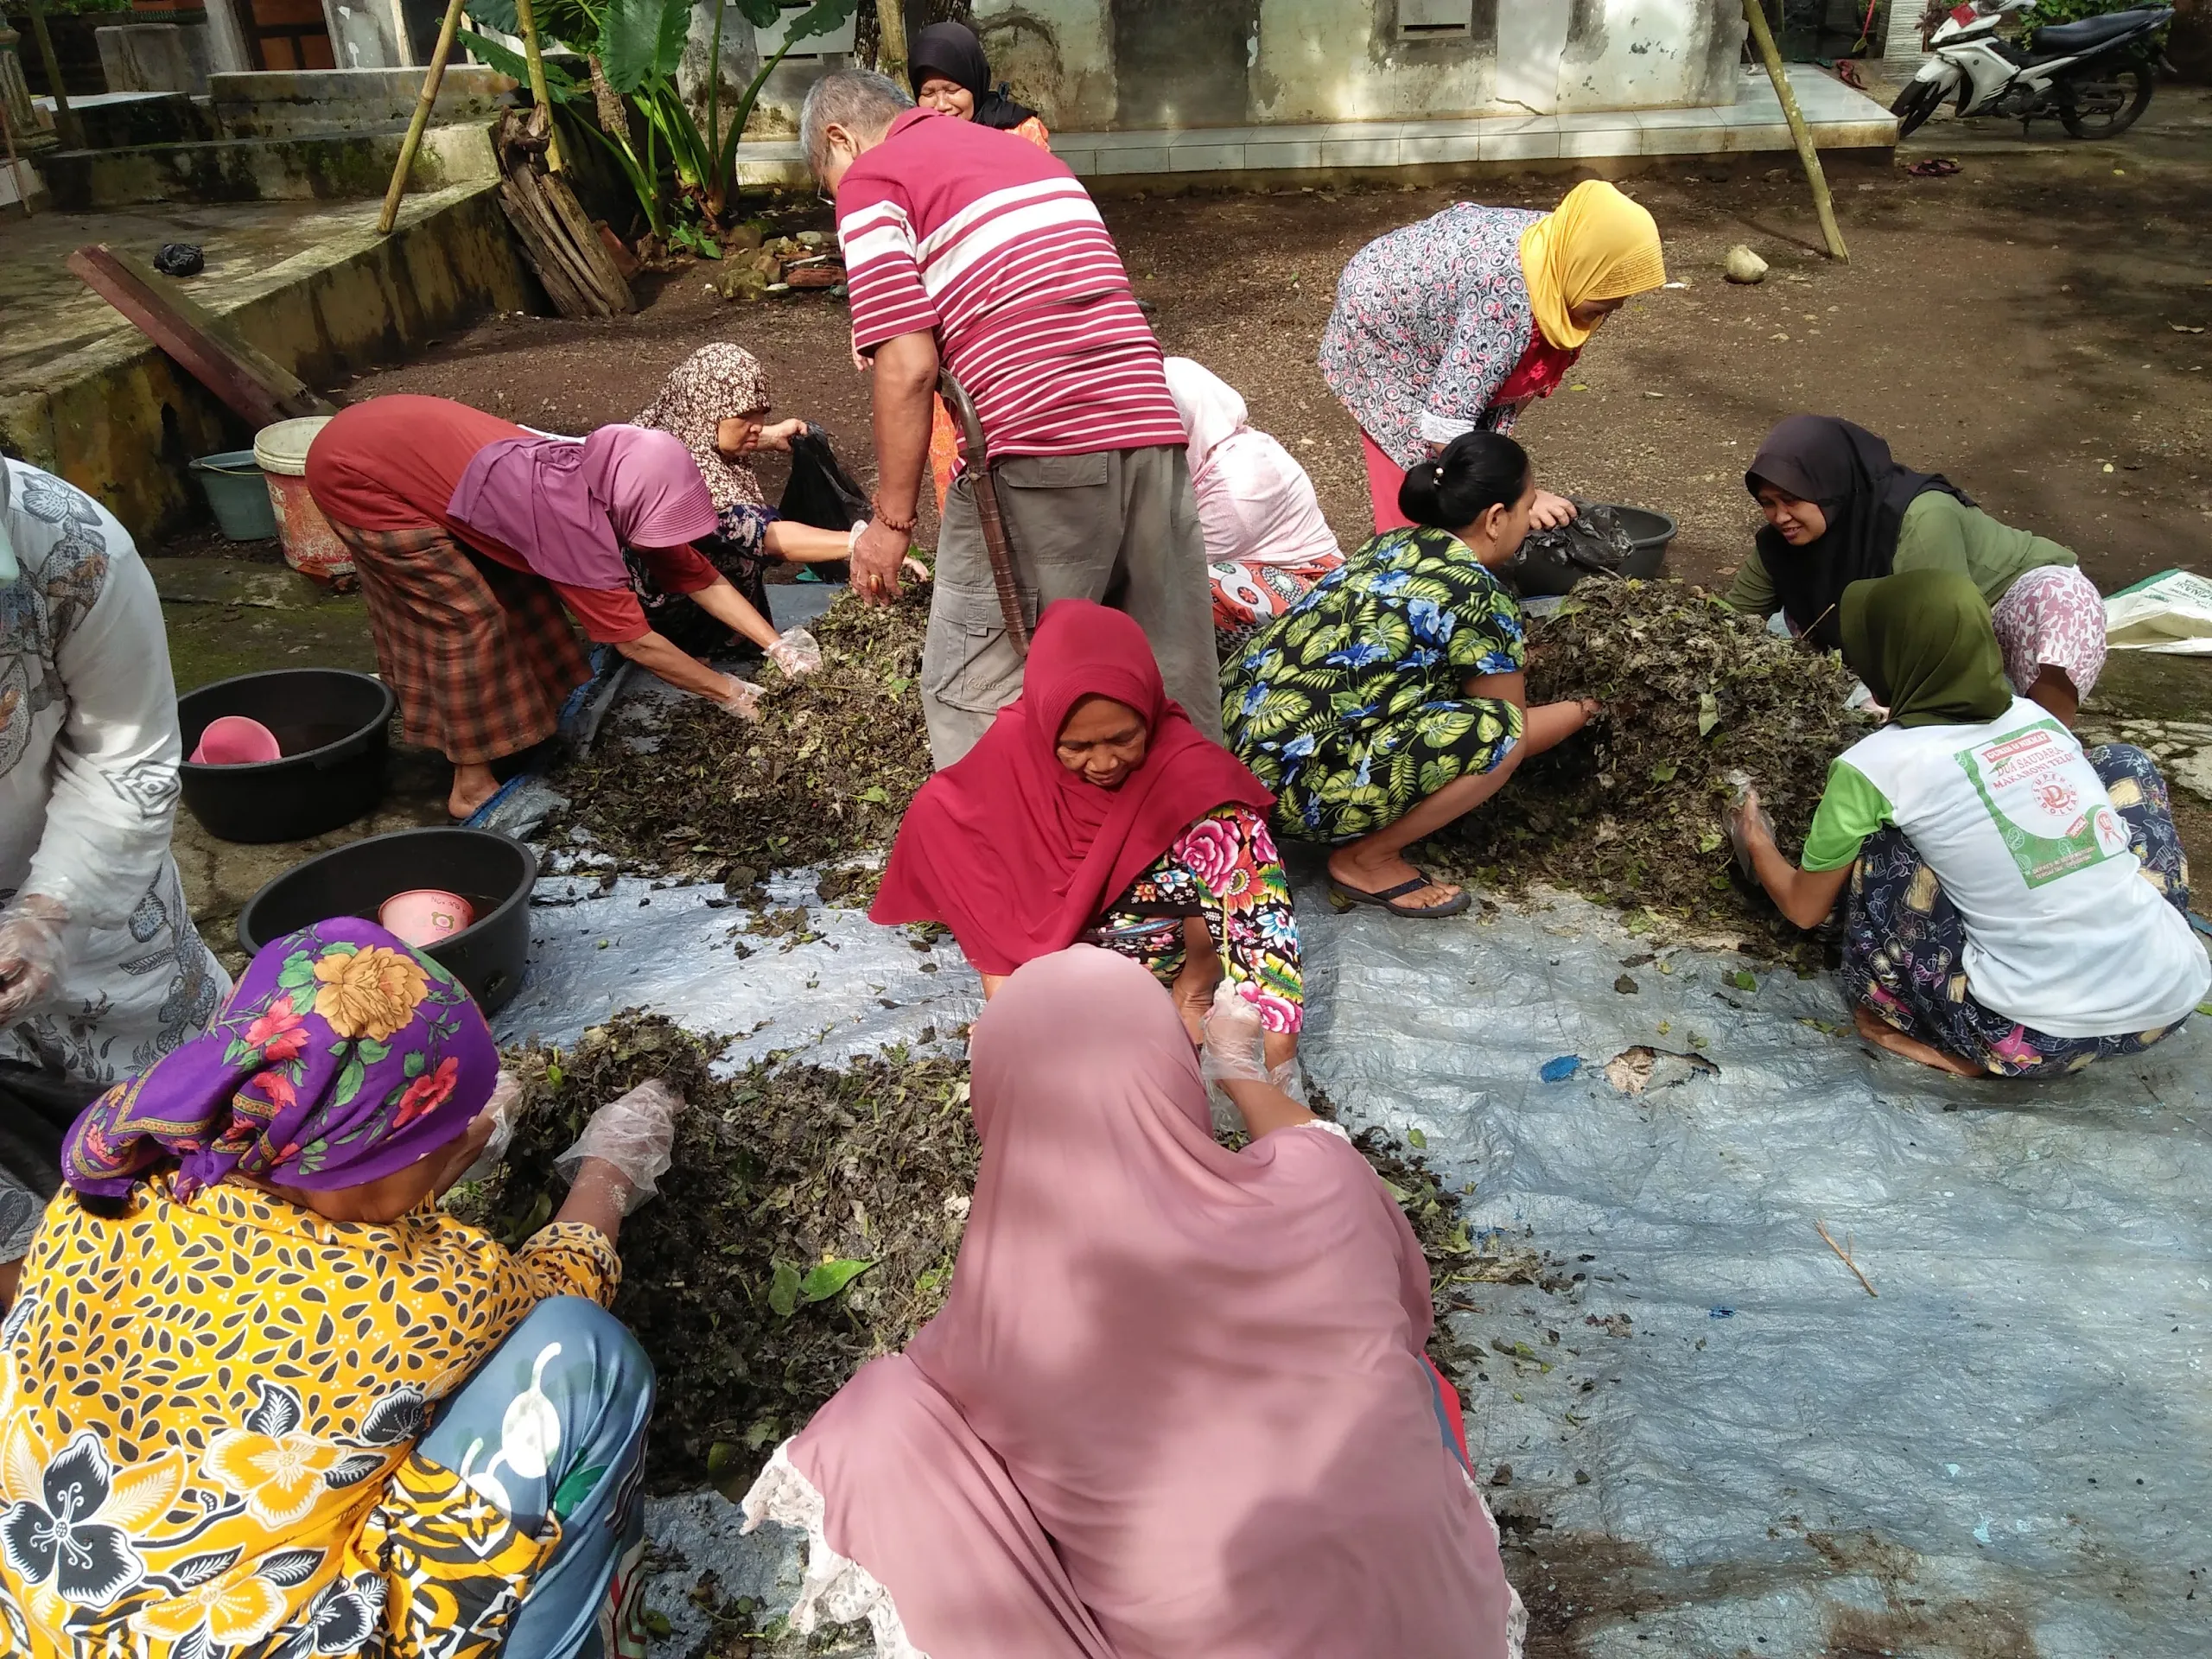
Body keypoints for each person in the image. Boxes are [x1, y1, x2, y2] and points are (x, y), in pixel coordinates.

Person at [741, 945, 1525, 1659]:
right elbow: (1321, 1152)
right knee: (1406, 1372)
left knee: (881, 1418)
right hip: (1455, 1626)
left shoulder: (981, 1340)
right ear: (1172, 1072)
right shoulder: (1324, 1185)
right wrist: (1242, 1069)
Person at [0, 917, 683, 1657]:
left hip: (54, 1612)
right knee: (579, 1356)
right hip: (256, 1636)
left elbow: (322, 1215)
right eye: (440, 1132)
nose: (465, 1138)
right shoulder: (430, 1293)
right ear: (369, 1157)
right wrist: (611, 1172)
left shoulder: (116, 1179)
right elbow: (561, 1284)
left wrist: (421, 1158)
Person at [801, 69, 1217, 767]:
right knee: (1167, 668)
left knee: (975, 684)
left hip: (1040, 442)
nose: (834, 195)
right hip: (1151, 428)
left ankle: (1000, 863)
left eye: (825, 179)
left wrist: (891, 524)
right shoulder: (1025, 156)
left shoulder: (876, 178)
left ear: (840, 136)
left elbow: (907, 367)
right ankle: (1199, 853)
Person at [1731, 570, 2209, 1078]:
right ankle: (2139, 940)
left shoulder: (1872, 766)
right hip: (2167, 1001)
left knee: (1884, 847)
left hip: (2022, 1037)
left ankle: (1919, 1027)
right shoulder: (2036, 717)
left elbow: (1805, 909)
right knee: (2120, 764)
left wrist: (1756, 839)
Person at [306, 394, 820, 820]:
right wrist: (733, 693)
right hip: (356, 473)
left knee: (518, 590)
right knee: (468, 619)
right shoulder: (571, 526)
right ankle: (471, 785)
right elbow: (634, 641)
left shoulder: (614, 471)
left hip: (404, 441)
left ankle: (516, 723)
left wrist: (777, 647)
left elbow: (693, 570)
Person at [873, 600, 1302, 1072]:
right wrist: (1010, 1009)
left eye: (1124, 739)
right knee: (948, 818)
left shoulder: (1191, 775)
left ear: (1148, 712)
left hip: (1166, 945)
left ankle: (1194, 992)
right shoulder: (1011, 758)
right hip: (1049, 957)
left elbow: (1259, 920)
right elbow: (970, 866)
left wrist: (1277, 1060)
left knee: (1221, 864)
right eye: (1075, 747)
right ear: (1043, 723)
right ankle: (1021, 1005)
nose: (1103, 764)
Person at [0, 456, 228, 1304]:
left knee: (191, 1135)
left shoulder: (68, 547)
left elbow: (125, 754)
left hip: (90, 904)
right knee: (41, 1252)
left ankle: (222, 1277)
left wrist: (49, 912)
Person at [1223, 431, 1599, 919]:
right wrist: (1590, 707)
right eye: (1527, 509)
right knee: (1498, 732)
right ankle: (1366, 859)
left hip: (1225, 756)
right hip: (1284, 796)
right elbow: (1517, 728)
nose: (1529, 524)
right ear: (1495, 519)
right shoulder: (1479, 596)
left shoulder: (1393, 544)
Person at [1319, 180, 1665, 537]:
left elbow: (1507, 381)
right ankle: (1407, 566)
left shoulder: (1561, 259)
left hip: (1445, 298)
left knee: (1473, 444)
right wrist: (1522, 499)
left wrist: (1497, 474)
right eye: (1610, 290)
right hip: (1384, 319)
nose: (1619, 303)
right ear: (1587, 266)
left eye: (1624, 292)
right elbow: (1445, 425)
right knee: (1426, 474)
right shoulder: (1506, 300)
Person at [1724, 415, 2106, 726]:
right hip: (1914, 630)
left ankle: (2047, 741)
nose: (1780, 517)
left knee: (2062, 604)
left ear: (1831, 486)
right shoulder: (1779, 543)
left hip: (2000, 605)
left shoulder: (1921, 516)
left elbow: (1945, 629)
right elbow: (1728, 622)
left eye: (1791, 500)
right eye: (1767, 504)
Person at [632, 343, 927, 639]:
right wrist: (864, 542)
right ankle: (699, 644)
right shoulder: (682, 482)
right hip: (657, 606)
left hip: (676, 578)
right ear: (705, 410)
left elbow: (706, 438)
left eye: (761, 414)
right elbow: (766, 537)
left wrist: (769, 437)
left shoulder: (671, 426)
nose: (757, 426)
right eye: (746, 416)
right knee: (736, 556)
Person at [906, 19, 1055, 518]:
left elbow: (1039, 221)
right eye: (928, 92)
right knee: (953, 441)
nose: (942, 104)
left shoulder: (1020, 133)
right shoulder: (912, 148)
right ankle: (973, 557)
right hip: (944, 314)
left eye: (953, 89)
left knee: (1018, 438)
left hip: (1014, 310)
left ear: (976, 81)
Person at [1162, 356, 1344, 642]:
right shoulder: (1226, 449)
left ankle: (1262, 663)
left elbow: (1177, 561)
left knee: (1185, 586)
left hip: (1314, 591)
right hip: (1262, 572)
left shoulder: (1237, 487)